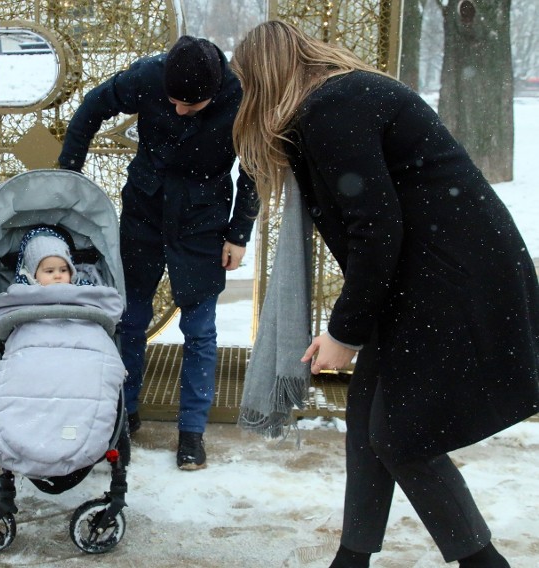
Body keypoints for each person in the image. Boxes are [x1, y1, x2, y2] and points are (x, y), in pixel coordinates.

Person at [231, 20, 539, 568]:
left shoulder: (334, 107)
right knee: (368, 419)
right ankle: (351, 559)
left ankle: (485, 564)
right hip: (432, 276)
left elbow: (376, 227)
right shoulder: (343, 97)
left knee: (401, 436)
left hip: (450, 281)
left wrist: (345, 332)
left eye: (247, 86)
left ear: (266, 77)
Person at [58, 35, 259, 470]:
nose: (181, 111)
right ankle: (125, 413)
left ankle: (192, 431)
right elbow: (92, 108)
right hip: (144, 214)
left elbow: (254, 168)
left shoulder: (242, 95)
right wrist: (69, 174)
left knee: (200, 331)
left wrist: (239, 234)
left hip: (204, 223)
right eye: (173, 102)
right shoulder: (148, 76)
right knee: (130, 319)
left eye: (192, 105)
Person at [0, 226, 126, 478]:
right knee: (27, 377)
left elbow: (109, 310)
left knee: (85, 377)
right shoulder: (21, 297)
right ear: (33, 274)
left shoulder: (88, 294)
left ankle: (63, 434)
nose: (58, 276)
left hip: (83, 343)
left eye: (63, 269)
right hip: (33, 345)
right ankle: (35, 433)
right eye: (49, 271)